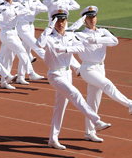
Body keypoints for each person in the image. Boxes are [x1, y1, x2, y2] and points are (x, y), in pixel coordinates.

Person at [36, 8, 111, 150]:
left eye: (63, 20)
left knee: (60, 107)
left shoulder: (69, 36)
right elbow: (39, 44)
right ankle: (96, 121)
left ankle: (53, 139)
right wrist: (49, 27)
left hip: (67, 74)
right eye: (57, 20)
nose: (61, 23)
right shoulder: (49, 37)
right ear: (53, 22)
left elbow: (81, 48)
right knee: (75, 94)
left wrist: (65, 49)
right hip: (55, 74)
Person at [74, 5, 132, 142]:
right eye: (88, 17)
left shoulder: (103, 31)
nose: (92, 19)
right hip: (88, 68)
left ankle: (89, 132)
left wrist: (97, 40)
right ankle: (130, 105)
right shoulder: (79, 35)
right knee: (107, 84)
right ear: (84, 20)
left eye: (93, 16)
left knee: (93, 101)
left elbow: (115, 41)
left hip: (101, 68)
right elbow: (67, 33)